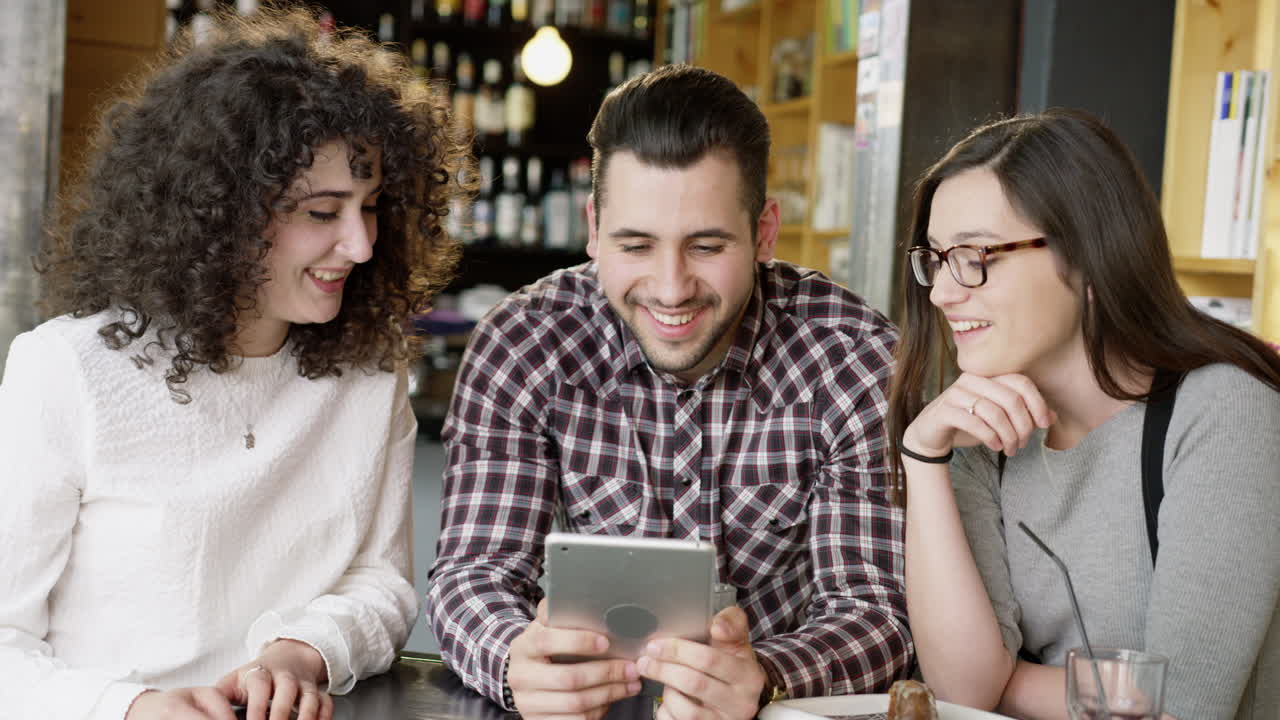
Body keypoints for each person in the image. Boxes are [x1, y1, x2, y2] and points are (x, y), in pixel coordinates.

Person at [0, 7, 466, 720]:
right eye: (322, 212)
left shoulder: (370, 371)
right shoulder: (66, 371)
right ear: (222, 212)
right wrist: (131, 707)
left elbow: (381, 584)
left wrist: (298, 652)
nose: (362, 245)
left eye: (371, 207)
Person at [425, 64, 911, 720]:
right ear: (594, 228)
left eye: (706, 246)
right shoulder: (525, 342)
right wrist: (514, 659)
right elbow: (473, 573)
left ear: (764, 232)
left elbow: (877, 611)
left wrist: (765, 676)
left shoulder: (852, 355)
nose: (671, 288)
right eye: (636, 245)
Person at [887, 109, 1280, 719]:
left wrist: (1008, 681)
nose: (941, 292)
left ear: (1088, 257)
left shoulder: (1225, 410)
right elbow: (961, 692)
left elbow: (1185, 706)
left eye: (975, 254)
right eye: (937, 258)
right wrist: (923, 457)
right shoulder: (983, 431)